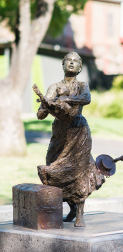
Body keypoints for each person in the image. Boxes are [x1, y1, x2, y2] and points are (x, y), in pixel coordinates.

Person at [34, 52, 104, 227]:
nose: (72, 64)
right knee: (53, 167)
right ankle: (69, 207)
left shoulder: (81, 85)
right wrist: (48, 105)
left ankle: (80, 212)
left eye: (75, 62)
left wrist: (64, 98)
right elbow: (40, 115)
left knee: (78, 170)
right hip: (60, 133)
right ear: (63, 64)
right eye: (69, 61)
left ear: (80, 67)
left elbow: (86, 99)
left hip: (78, 131)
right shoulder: (53, 87)